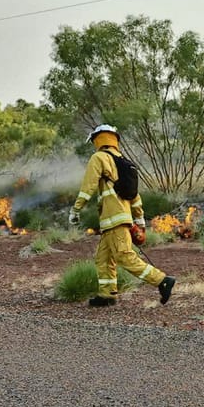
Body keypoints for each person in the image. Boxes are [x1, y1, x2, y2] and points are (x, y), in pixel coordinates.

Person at [68, 124, 175, 307]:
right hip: (119, 220)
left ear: (98, 139)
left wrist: (76, 210)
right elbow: (134, 195)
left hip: (113, 219)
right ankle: (107, 294)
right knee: (103, 258)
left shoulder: (99, 158)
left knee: (124, 256)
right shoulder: (124, 162)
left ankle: (162, 280)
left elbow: (88, 187)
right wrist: (139, 219)